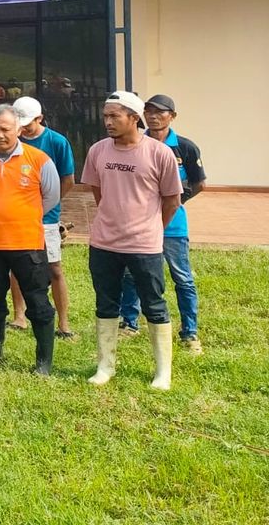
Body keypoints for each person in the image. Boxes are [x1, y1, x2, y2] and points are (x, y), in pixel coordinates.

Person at [81, 91, 182, 390]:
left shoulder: (158, 153)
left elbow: (172, 200)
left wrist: (152, 228)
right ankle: (105, 365)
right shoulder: (98, 151)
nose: (108, 122)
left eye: (115, 116)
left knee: (154, 304)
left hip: (145, 245)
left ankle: (163, 372)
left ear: (134, 118)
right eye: (105, 116)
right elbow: (99, 194)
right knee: (105, 302)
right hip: (104, 243)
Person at [0, 104, 61, 374]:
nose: (0, 135)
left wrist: (20, 215)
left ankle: (43, 362)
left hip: (27, 244)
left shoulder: (39, 159)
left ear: (18, 129)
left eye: (5, 129)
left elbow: (51, 197)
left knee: (38, 302)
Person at [117, 94, 206, 355]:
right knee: (132, 275)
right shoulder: (134, 143)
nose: (154, 116)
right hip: (139, 225)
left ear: (172, 116)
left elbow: (199, 183)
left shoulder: (185, 147)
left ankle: (189, 332)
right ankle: (129, 323)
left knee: (183, 278)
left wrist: (174, 203)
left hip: (173, 227)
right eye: (149, 111)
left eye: (161, 112)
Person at [8, 96, 77, 339]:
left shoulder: (57, 142)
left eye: (28, 123)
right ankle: (19, 316)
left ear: (40, 118)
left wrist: (48, 202)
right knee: (16, 266)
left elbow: (68, 179)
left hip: (46, 216)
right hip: (17, 215)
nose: (24, 128)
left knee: (54, 268)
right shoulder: (11, 142)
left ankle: (64, 324)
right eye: (20, 123)